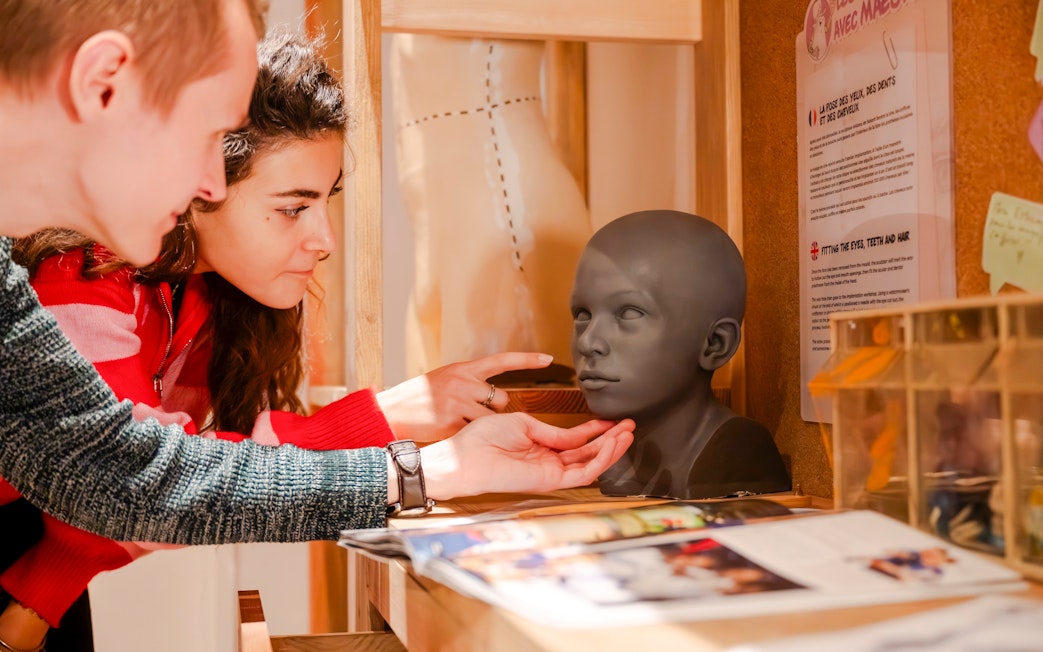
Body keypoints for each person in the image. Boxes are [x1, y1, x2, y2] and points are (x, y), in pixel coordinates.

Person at [0, 29, 575, 651]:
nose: (324, 238)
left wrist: (38, 596)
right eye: (292, 208)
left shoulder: (198, 295)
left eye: (324, 200)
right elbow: (138, 484)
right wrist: (385, 430)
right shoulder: (81, 273)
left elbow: (132, 486)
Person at [569, 209, 788, 499]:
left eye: (629, 313)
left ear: (715, 343)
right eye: (582, 314)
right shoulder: (618, 459)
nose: (588, 341)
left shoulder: (736, 454)